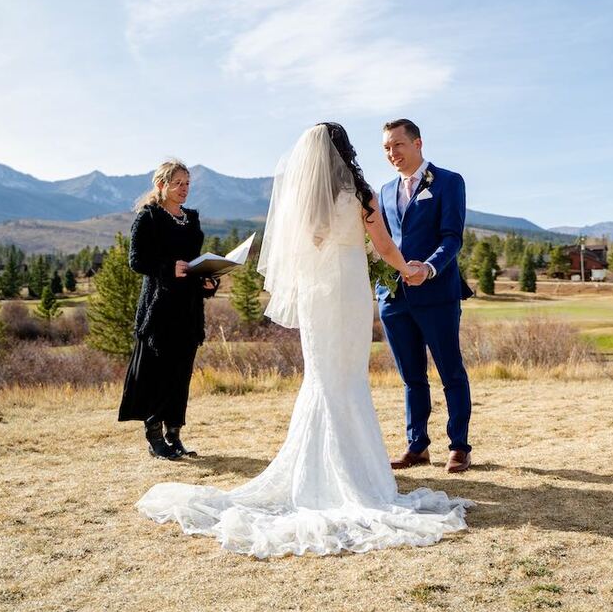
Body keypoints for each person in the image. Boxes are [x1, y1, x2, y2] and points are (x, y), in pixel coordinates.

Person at [136, 123, 471, 556]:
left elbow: (310, 245)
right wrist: (408, 269)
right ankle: (355, 472)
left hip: (318, 297)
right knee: (347, 377)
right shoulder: (363, 195)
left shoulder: (306, 200)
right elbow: (384, 247)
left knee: (322, 378)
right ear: (344, 151)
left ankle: (321, 469)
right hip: (347, 294)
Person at [376, 118, 475, 474]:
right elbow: (382, 242)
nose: (392, 153)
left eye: (398, 145)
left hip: (437, 294)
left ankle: (459, 446)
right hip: (394, 298)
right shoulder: (384, 191)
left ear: (418, 144)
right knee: (411, 377)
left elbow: (452, 238)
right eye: (387, 148)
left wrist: (428, 268)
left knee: (451, 371)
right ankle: (417, 446)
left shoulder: (449, 182)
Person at [118, 160, 219, 460]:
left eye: (187, 183)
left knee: (180, 374)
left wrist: (208, 282)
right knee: (158, 373)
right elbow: (136, 261)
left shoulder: (192, 219)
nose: (184, 189)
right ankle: (154, 435)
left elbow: (195, 262)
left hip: (188, 308)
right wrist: (166, 267)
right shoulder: (148, 217)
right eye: (178, 183)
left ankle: (174, 435)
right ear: (162, 185)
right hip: (160, 308)